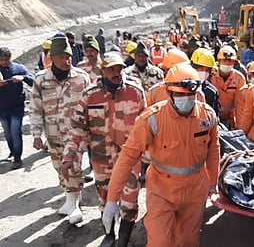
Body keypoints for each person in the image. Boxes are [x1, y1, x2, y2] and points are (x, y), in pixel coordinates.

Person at [102, 63, 220, 247]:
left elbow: (213, 150)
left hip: (195, 191)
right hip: (162, 192)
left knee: (189, 240)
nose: (186, 99)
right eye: (180, 94)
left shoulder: (207, 116)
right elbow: (127, 157)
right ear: (169, 92)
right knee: (160, 242)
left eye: (190, 94)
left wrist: (213, 183)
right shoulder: (152, 119)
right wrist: (112, 199)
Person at [62, 52, 145, 247]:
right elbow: (77, 128)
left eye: (119, 68)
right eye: (111, 69)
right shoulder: (90, 95)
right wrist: (69, 157)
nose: (116, 73)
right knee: (105, 198)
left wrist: (151, 157)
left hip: (130, 160)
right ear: (102, 71)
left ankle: (122, 242)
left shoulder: (135, 92)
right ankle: (109, 235)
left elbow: (146, 126)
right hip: (102, 159)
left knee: (130, 201)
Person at [30, 37, 91, 224]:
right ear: (52, 58)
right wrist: (36, 134)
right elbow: (35, 108)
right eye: (62, 57)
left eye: (69, 57)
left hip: (76, 135)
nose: (67, 60)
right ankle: (70, 198)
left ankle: (74, 204)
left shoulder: (81, 77)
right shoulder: (41, 80)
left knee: (72, 167)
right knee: (59, 169)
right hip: (53, 135)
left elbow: (91, 106)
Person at [0, 47, 35, 169]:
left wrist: (23, 77)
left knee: (15, 131)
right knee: (8, 132)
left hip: (17, 107)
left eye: (7, 60)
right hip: (2, 108)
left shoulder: (19, 68)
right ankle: (13, 151)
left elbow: (33, 81)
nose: (4, 62)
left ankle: (18, 158)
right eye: (2, 60)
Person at [210, 45, 246, 129]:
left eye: (230, 61)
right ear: (219, 61)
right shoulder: (211, 76)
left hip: (231, 118)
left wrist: (239, 128)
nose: (227, 64)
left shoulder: (239, 78)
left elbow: (240, 105)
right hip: (213, 115)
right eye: (224, 61)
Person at [190, 48, 220, 115]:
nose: (203, 72)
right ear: (192, 66)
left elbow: (214, 117)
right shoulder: (180, 86)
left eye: (207, 70)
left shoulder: (212, 92)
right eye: (201, 68)